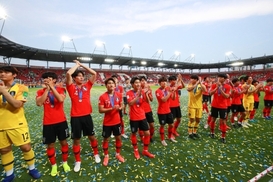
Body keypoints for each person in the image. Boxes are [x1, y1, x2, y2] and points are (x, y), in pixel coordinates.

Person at [0, 66, 41, 181]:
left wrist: (3, 91)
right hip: (1, 125)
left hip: (17, 124)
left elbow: (17, 105)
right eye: (1, 72)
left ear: (14, 75)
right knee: (4, 150)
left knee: (26, 147)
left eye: (6, 72)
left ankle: (32, 168)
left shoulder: (23, 88)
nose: (2, 74)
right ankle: (9, 174)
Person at [66, 60, 101, 172]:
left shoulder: (87, 86)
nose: (81, 78)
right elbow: (68, 74)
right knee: (76, 140)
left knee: (92, 136)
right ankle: (78, 161)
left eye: (82, 76)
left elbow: (94, 73)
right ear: (74, 78)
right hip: (75, 117)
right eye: (79, 76)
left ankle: (96, 154)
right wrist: (76, 65)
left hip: (87, 116)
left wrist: (82, 65)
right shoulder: (71, 87)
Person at [36, 72, 70, 176]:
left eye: (49, 78)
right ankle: (54, 165)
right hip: (48, 122)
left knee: (63, 142)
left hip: (61, 121)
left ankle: (65, 162)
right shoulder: (40, 91)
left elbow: (60, 99)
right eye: (44, 78)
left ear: (54, 80)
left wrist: (52, 88)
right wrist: (47, 90)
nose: (46, 79)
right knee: (50, 145)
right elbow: (39, 103)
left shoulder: (61, 89)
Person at [98, 77, 125, 166]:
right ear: (106, 85)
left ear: (115, 85)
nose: (111, 85)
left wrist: (120, 108)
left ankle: (118, 154)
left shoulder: (119, 95)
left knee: (118, 138)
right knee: (106, 139)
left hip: (117, 121)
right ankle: (106, 156)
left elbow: (122, 105)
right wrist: (111, 108)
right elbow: (100, 110)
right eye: (109, 83)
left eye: (112, 83)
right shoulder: (102, 96)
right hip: (107, 122)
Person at [126, 77, 155, 159]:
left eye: (139, 82)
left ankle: (145, 150)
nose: (138, 84)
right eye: (136, 82)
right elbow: (130, 103)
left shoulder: (142, 91)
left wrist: (145, 93)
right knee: (134, 134)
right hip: (134, 117)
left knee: (147, 133)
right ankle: (135, 150)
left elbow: (147, 101)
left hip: (142, 116)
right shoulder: (129, 93)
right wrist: (138, 96)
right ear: (132, 84)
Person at [209, 74, 231, 143]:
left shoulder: (228, 86)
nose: (219, 78)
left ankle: (223, 137)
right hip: (214, 105)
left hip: (223, 106)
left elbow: (226, 96)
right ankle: (212, 133)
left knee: (223, 121)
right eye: (218, 77)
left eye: (221, 77)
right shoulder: (214, 85)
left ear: (224, 79)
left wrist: (221, 89)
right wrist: (216, 88)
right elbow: (210, 93)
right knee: (213, 119)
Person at [155, 76, 176, 146]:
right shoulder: (157, 91)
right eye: (162, 82)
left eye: (165, 81)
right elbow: (163, 100)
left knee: (171, 125)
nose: (164, 83)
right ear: (159, 83)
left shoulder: (168, 89)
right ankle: (162, 140)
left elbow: (173, 98)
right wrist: (169, 92)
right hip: (161, 112)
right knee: (162, 125)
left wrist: (174, 92)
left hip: (168, 111)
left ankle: (170, 137)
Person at [187, 75, 207, 139]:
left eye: (192, 79)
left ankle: (195, 132)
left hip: (199, 106)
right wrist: (196, 84)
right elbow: (189, 89)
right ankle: (190, 133)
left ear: (196, 79)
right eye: (191, 79)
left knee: (198, 120)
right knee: (192, 119)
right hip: (191, 106)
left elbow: (205, 90)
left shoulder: (201, 86)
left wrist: (200, 83)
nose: (191, 80)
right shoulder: (190, 85)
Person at [140, 76, 155, 142]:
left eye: (144, 80)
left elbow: (151, 100)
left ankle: (150, 137)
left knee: (152, 125)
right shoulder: (138, 90)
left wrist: (148, 93)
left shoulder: (149, 89)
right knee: (141, 127)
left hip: (148, 110)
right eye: (141, 80)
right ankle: (142, 138)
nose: (143, 82)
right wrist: (145, 93)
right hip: (141, 111)